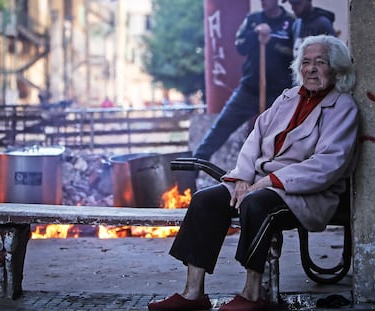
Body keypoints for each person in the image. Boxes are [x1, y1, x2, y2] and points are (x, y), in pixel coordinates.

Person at [148, 35, 358, 311]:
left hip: (305, 193)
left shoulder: (343, 107)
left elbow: (328, 165)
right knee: (205, 200)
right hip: (260, 181)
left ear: (337, 68)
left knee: (257, 204)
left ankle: (252, 294)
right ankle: (193, 294)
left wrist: (267, 182)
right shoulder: (288, 98)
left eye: (321, 62)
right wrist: (243, 178)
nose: (312, 69)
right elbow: (255, 138)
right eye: (306, 62)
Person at [192, 0, 295, 161]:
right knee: (222, 126)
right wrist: (255, 34)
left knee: (280, 136)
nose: (262, 2)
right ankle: (196, 163)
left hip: (278, 94)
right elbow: (240, 46)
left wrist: (272, 42)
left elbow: (295, 53)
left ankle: (274, 173)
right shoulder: (253, 19)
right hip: (249, 89)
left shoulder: (291, 22)